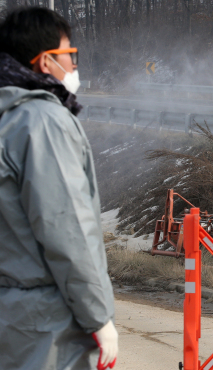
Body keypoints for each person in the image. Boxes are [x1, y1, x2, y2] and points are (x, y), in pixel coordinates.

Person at [0, 7, 118, 370]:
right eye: (70, 54)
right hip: (46, 320)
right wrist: (98, 317)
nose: (74, 64)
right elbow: (66, 229)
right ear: (46, 62)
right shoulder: (44, 122)